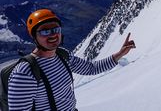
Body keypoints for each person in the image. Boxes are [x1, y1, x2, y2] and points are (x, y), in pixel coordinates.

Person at [7, 9, 136, 111]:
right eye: (44, 32)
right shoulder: (25, 72)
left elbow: (92, 68)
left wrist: (120, 53)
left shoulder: (63, 56)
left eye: (55, 29)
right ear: (34, 37)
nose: (52, 34)